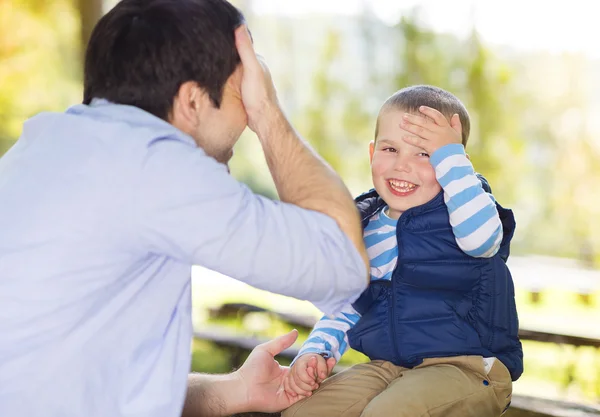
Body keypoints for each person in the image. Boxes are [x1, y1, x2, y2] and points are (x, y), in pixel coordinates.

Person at [0, 0, 370, 416]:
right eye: (240, 90)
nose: (247, 109)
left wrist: (233, 390)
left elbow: (92, 389)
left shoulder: (45, 146)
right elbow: (342, 264)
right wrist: (269, 112)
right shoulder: (153, 163)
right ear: (192, 101)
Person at [282, 85, 523, 417]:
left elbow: (483, 241)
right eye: (390, 149)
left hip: (467, 368)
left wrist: (451, 160)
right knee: (304, 412)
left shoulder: (467, 211)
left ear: (455, 163)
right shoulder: (362, 226)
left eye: (424, 153)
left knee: (389, 412)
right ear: (372, 153)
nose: (402, 165)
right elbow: (347, 306)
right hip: (388, 368)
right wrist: (316, 353)